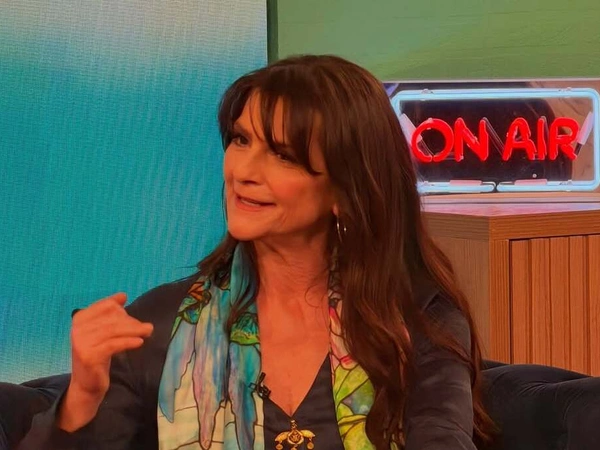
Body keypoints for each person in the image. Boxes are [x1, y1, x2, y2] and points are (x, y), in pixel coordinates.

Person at [18, 55, 492, 450]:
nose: (243, 171)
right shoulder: (156, 328)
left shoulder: (416, 321)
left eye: (282, 154)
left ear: (345, 191)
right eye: (241, 140)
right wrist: (81, 399)